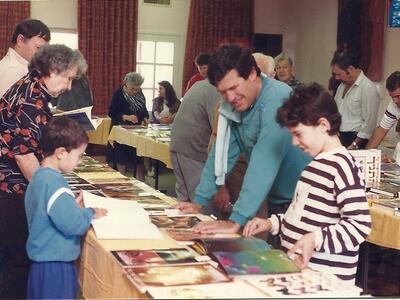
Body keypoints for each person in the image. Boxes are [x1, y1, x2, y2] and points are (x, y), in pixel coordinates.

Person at [175, 44, 311, 234]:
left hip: (306, 197)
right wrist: (199, 202)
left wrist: (236, 220)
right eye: (222, 92)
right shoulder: (235, 101)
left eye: (233, 88)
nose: (229, 97)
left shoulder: (278, 99)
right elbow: (221, 152)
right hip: (277, 196)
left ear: (253, 74)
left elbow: (264, 161)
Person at [243, 83, 371, 283]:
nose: (294, 142)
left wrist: (316, 238)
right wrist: (271, 223)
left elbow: (360, 225)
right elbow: (300, 215)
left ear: (323, 125)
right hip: (302, 275)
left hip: (327, 282)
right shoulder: (314, 165)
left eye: (298, 134)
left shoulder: (343, 167)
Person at [0, 44, 87, 299]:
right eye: (69, 78)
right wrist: (57, 192)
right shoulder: (31, 98)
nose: (70, 86)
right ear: (52, 70)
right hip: (11, 188)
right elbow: (24, 155)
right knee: (17, 263)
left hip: (8, 185)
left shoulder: (30, 87)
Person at [25, 116, 107, 299]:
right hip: (56, 266)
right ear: (61, 152)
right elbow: (72, 224)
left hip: (40, 264)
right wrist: (90, 212)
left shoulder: (39, 176)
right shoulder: (56, 183)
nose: (79, 162)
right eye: (79, 156)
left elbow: (46, 210)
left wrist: (70, 206)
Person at [210, 52, 277, 217]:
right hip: (239, 172)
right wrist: (221, 186)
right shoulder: (230, 103)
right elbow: (215, 143)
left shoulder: (275, 100)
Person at [170, 79, 219, 202]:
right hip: (194, 150)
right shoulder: (215, 89)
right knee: (201, 203)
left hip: (179, 145)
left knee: (184, 199)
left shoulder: (200, 84)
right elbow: (218, 128)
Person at [331, 49, 379, 149]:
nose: (336, 78)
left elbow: (369, 123)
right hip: (339, 137)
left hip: (356, 140)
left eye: (339, 74)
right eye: (334, 74)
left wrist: (355, 144)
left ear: (351, 69)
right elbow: (335, 111)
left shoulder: (367, 88)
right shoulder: (341, 86)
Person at [108, 72, 149, 179]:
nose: (135, 91)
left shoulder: (140, 93)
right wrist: (126, 117)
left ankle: (141, 182)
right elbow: (112, 112)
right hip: (120, 129)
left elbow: (143, 109)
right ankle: (123, 180)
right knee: (120, 158)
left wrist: (145, 118)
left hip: (136, 130)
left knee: (139, 158)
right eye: (132, 89)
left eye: (137, 89)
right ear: (125, 84)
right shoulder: (119, 94)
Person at [0, 19, 50, 97]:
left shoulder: (19, 67)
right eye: (38, 47)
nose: (43, 54)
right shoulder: (13, 70)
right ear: (20, 41)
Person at [367, 71, 400, 149]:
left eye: (398, 96)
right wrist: (368, 154)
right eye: (392, 97)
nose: (395, 101)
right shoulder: (393, 105)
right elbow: (381, 131)